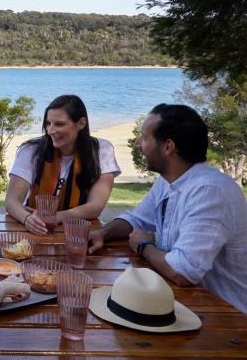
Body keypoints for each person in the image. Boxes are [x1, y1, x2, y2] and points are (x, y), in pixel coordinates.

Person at [88, 104, 247, 314]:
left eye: (144, 137)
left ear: (168, 147)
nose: (138, 144)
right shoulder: (169, 180)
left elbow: (183, 271)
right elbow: (136, 220)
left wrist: (143, 246)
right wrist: (102, 234)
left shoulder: (210, 192)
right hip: (183, 305)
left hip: (227, 320)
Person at [6, 95, 120, 235]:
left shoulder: (101, 150)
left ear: (81, 123)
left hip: (79, 233)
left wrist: (56, 217)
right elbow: (12, 201)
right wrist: (28, 219)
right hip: (35, 230)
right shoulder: (31, 150)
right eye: (48, 123)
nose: (50, 131)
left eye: (59, 124)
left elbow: (95, 206)